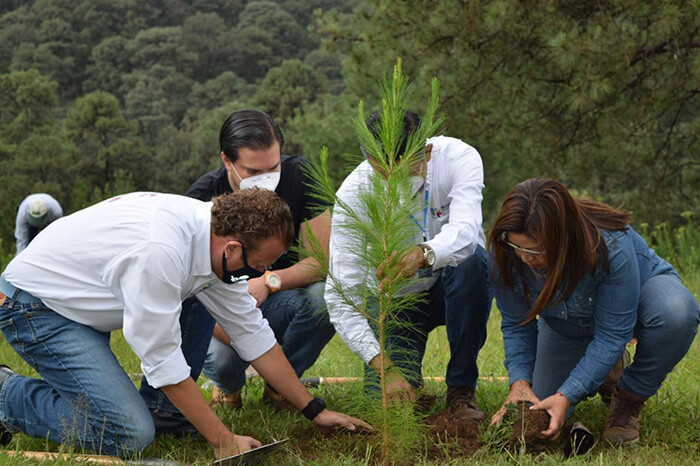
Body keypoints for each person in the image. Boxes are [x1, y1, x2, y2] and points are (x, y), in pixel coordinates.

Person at [0, 189, 369, 459]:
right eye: (260, 266)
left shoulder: (210, 237)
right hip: (35, 307)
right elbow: (162, 360)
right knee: (129, 435)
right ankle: (5, 394)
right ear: (233, 250)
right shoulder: (161, 252)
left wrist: (314, 409)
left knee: (198, 300)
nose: (262, 275)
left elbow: (252, 334)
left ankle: (165, 412)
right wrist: (223, 440)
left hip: (79, 303)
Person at [140, 109, 335, 425]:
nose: (267, 177)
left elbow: (321, 262)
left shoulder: (300, 176)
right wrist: (254, 346)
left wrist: (269, 280)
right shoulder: (202, 200)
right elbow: (190, 301)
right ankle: (228, 387)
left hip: (283, 298)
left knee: (324, 297)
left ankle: (283, 387)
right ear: (227, 161)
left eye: (273, 166)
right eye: (254, 170)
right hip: (221, 312)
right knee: (224, 358)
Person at [488, 178, 699, 445]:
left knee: (676, 311)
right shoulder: (504, 249)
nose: (526, 258)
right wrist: (519, 383)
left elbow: (612, 335)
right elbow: (518, 325)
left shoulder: (609, 245)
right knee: (538, 414)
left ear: (562, 239)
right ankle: (607, 368)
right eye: (518, 247)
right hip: (568, 327)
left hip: (637, 305)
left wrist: (568, 394)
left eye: (536, 250)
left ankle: (628, 398)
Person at [325, 110, 491, 421]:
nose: (395, 180)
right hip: (395, 301)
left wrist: (423, 252)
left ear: (425, 151)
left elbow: (467, 233)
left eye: (405, 169)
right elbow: (340, 295)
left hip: (450, 286)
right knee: (388, 407)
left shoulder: (458, 158)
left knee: (473, 262)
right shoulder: (354, 194)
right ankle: (408, 385)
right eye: (384, 172)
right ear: (370, 160)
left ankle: (461, 390)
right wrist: (384, 368)